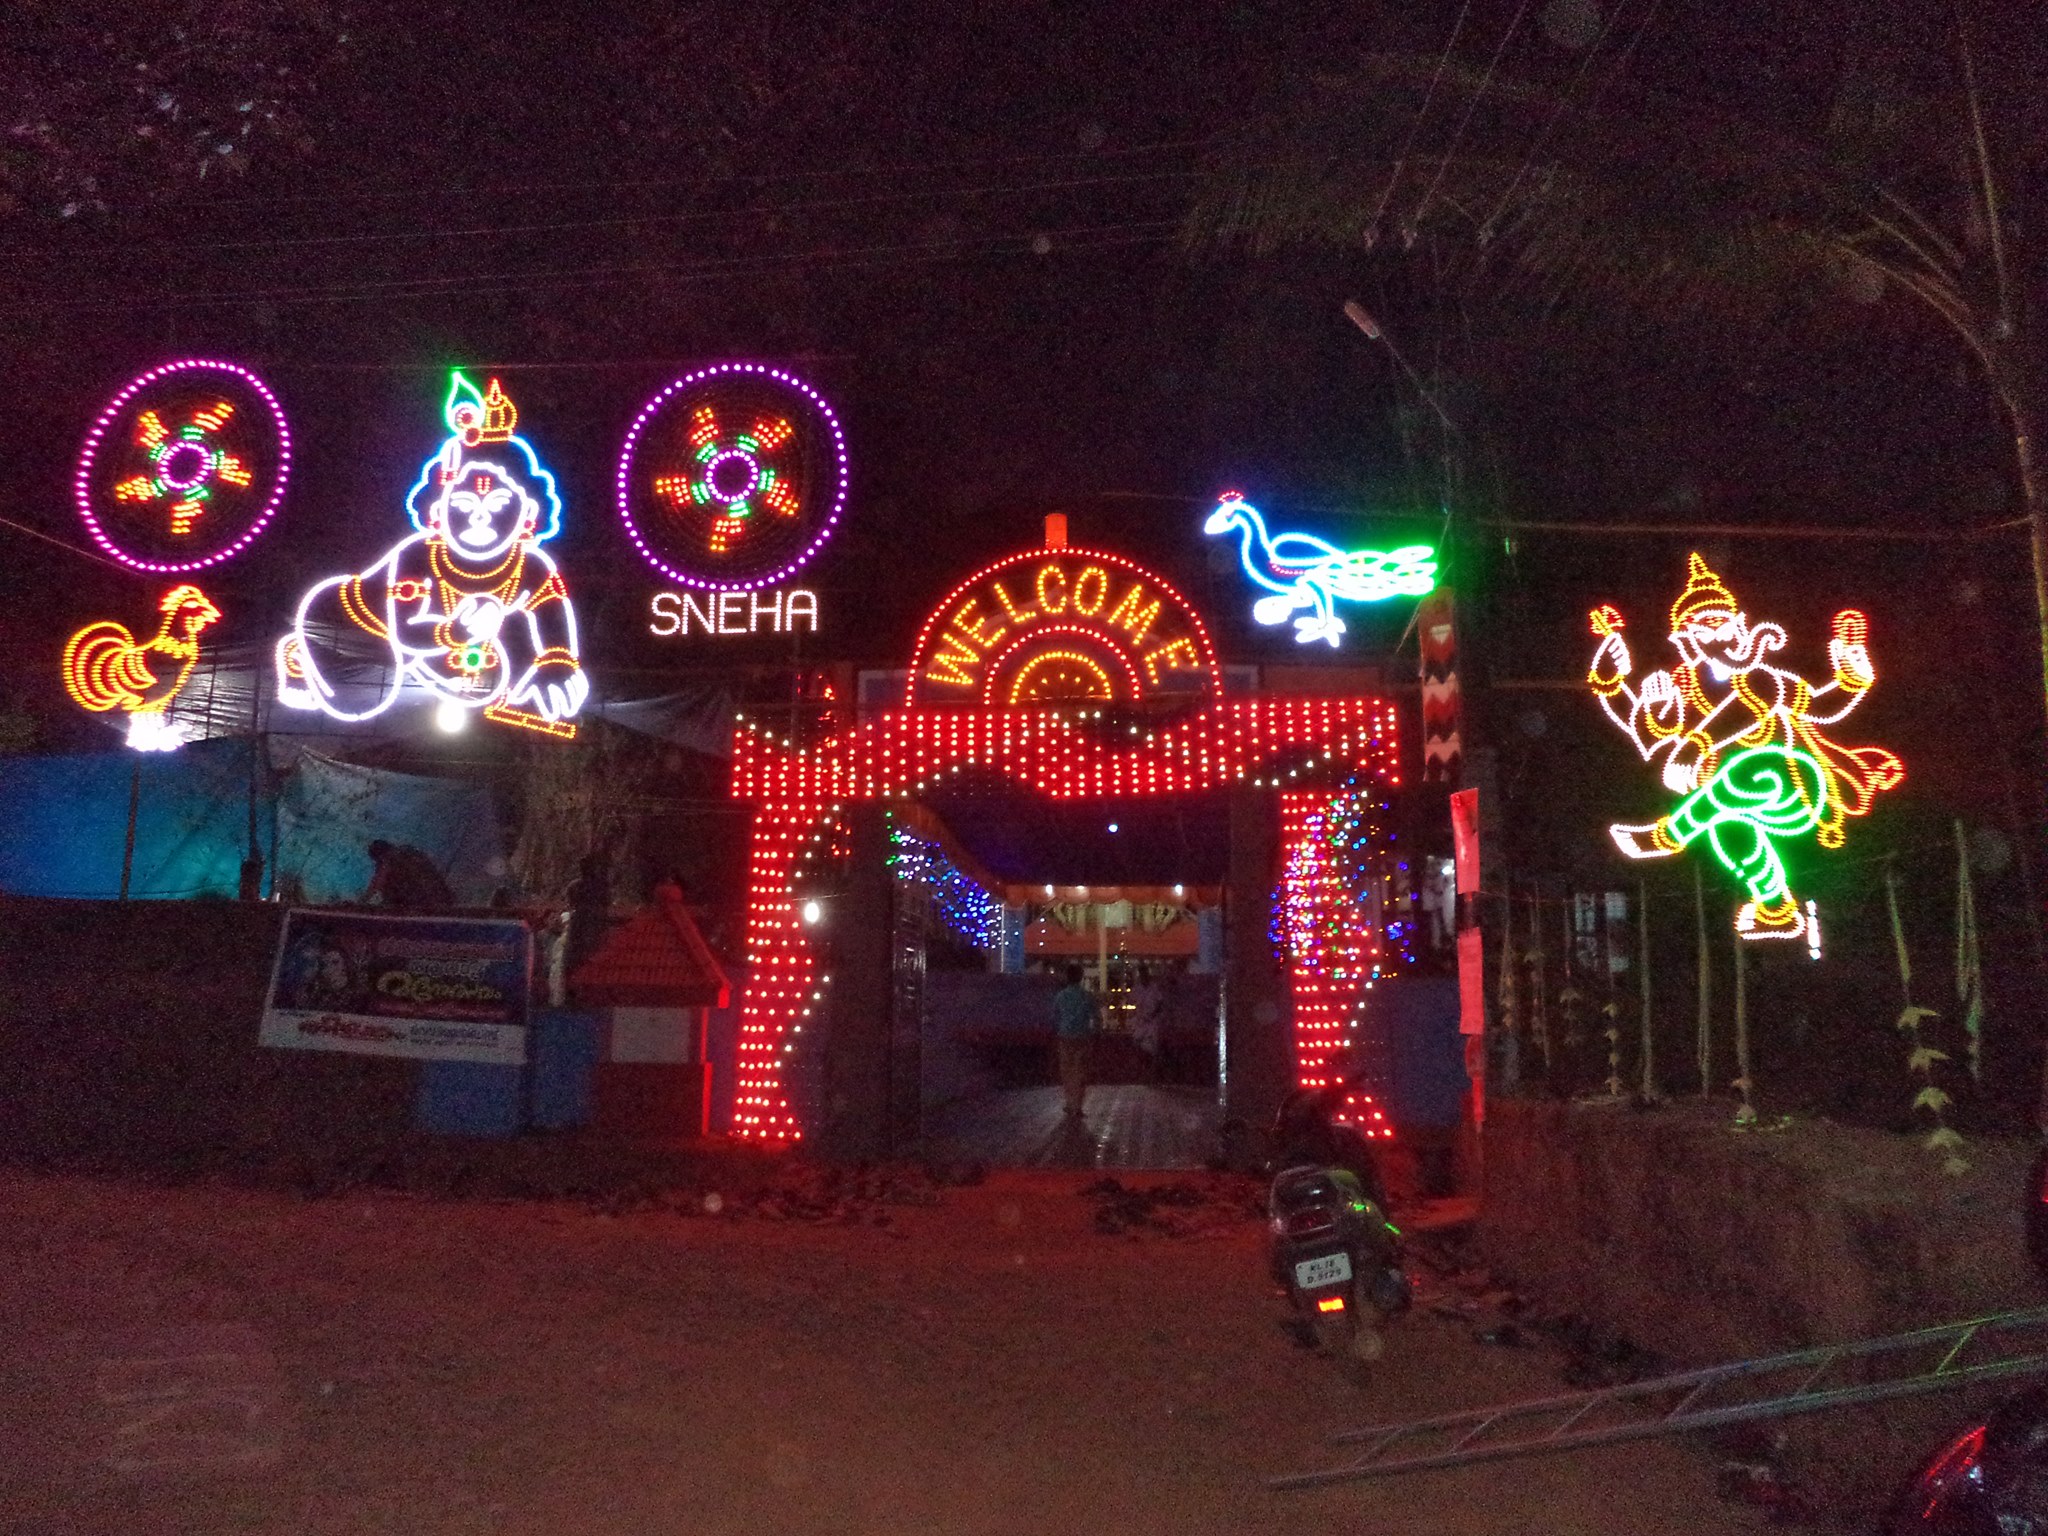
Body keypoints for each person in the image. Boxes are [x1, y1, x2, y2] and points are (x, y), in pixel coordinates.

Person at [1052, 963, 1100, 1120]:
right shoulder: (1087, 996)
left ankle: (1069, 1102)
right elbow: (1097, 1017)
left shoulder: (1060, 996)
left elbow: (1055, 1017)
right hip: (1083, 1036)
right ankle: (1078, 1105)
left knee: (1067, 1070)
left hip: (1065, 1036)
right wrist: (1096, 1032)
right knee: (1081, 1071)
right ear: (1080, 977)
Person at [362, 839, 455, 910]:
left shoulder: (391, 860)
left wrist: (362, 903)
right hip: (441, 903)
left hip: (420, 906)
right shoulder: (410, 853)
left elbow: (377, 883)